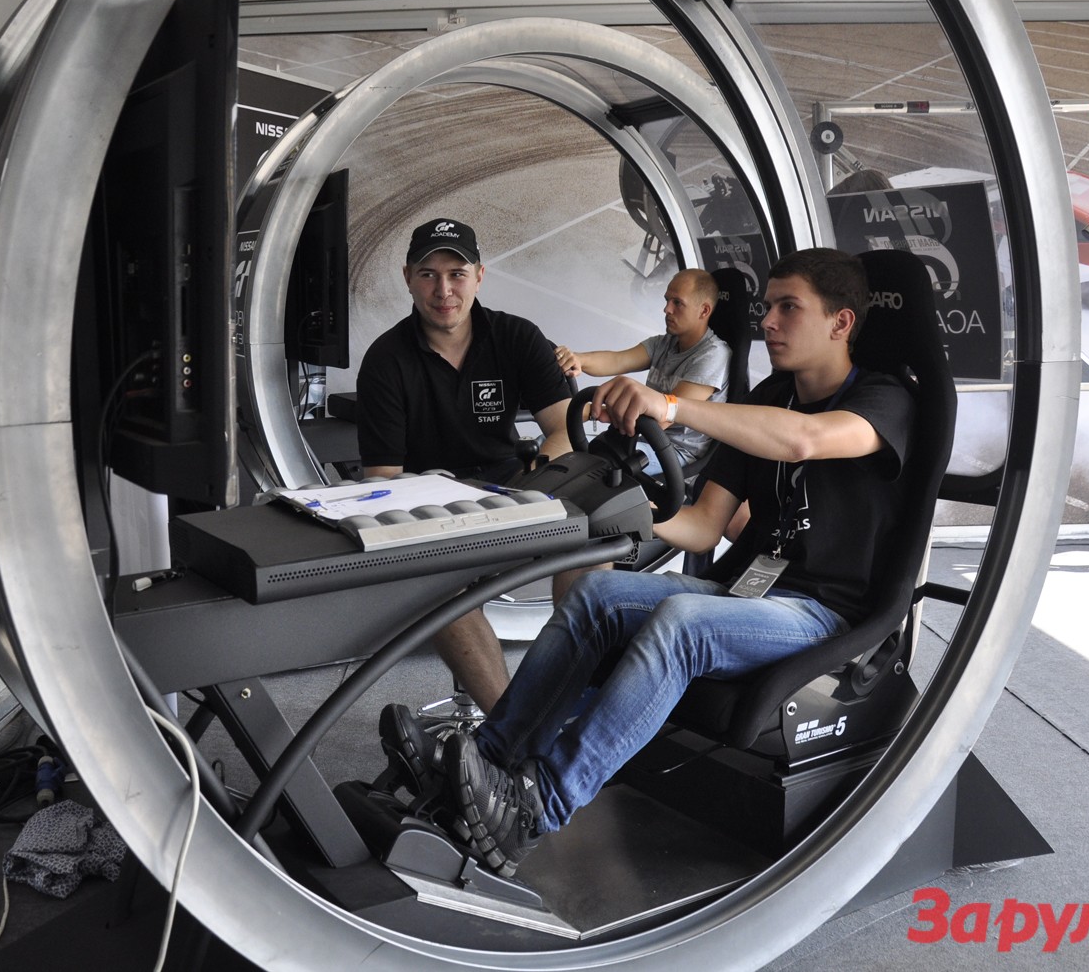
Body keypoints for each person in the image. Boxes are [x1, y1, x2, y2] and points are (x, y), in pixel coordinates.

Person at [378, 248, 917, 878]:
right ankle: (491, 759)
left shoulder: (885, 401)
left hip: (822, 613)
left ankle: (537, 804)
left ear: (841, 322)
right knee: (596, 597)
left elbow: (806, 441)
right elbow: (703, 524)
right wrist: (605, 507)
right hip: (749, 595)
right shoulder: (771, 398)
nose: (768, 321)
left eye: (788, 308)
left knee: (682, 621)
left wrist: (669, 405)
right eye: (768, 306)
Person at [357, 217, 574, 712]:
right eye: (428, 275)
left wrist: (530, 486)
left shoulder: (517, 336)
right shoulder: (385, 360)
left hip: (513, 490)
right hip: (432, 508)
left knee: (593, 545)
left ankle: (567, 700)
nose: (444, 290)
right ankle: (509, 730)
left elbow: (565, 430)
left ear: (479, 275)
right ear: (408, 277)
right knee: (436, 585)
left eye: (456, 274)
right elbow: (383, 481)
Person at [552, 267, 731, 474]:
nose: (666, 309)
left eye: (677, 303)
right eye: (667, 300)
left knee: (588, 465)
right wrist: (578, 359)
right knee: (552, 447)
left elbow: (666, 417)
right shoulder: (664, 343)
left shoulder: (713, 355)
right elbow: (618, 360)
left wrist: (593, 411)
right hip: (640, 440)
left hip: (674, 452)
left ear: (704, 311)